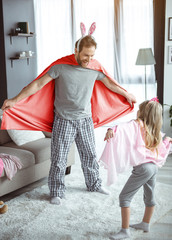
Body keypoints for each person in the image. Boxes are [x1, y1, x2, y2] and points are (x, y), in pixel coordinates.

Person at [1, 23, 136, 206]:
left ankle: (94, 184)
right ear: (76, 50)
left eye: (92, 55)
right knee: (59, 158)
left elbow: (110, 84)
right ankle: (56, 191)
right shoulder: (61, 66)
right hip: (64, 120)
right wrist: (15, 100)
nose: (89, 59)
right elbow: (38, 85)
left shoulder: (95, 68)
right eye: (86, 55)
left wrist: (127, 94)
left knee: (89, 155)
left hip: (85, 119)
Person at [100, 98, 172, 240]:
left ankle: (124, 231)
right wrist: (168, 140)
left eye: (139, 109)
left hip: (143, 168)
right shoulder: (154, 129)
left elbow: (122, 128)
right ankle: (145, 223)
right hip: (153, 167)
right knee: (149, 196)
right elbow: (161, 149)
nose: (137, 111)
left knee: (124, 197)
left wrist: (111, 129)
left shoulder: (137, 124)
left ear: (143, 113)